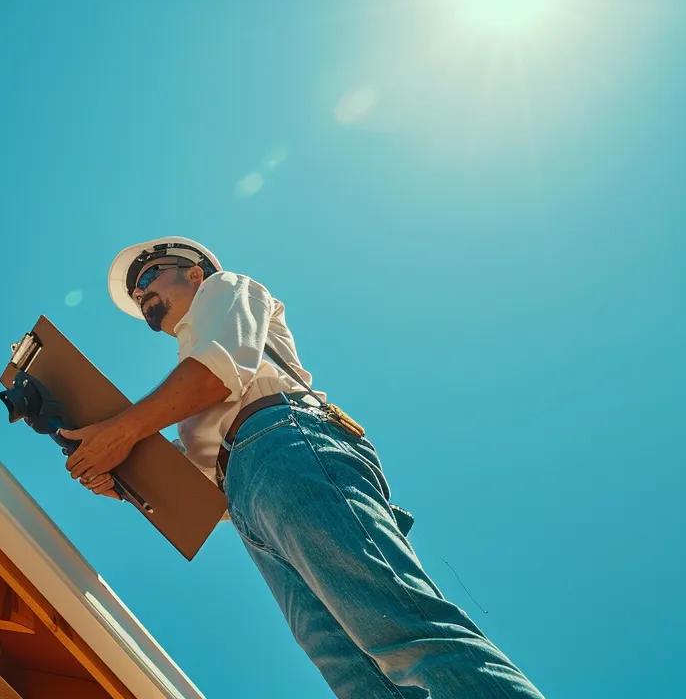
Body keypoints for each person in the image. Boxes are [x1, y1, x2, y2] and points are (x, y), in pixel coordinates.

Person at [57, 237, 544, 698]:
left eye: (150, 276)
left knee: (401, 631)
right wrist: (121, 481)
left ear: (194, 272)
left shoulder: (225, 290)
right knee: (364, 682)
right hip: (249, 493)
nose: (142, 291)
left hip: (285, 444)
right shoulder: (185, 380)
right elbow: (198, 486)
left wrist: (121, 433)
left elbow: (218, 373)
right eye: (137, 289)